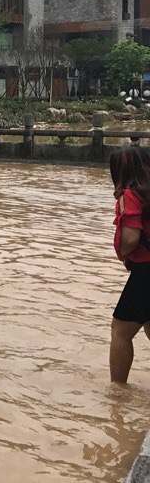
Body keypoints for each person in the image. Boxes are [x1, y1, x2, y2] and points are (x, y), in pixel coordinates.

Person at [108, 146, 150, 384]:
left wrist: (123, 252)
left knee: (120, 330)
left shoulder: (130, 195)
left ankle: (117, 392)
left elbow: (131, 238)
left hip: (146, 272)